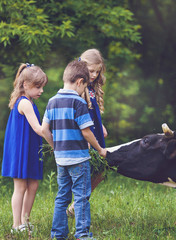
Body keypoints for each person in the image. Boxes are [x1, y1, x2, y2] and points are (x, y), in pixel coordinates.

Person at [42, 59, 107, 240]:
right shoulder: (78, 103)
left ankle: (57, 235)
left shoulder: (52, 102)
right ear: (79, 81)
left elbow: (44, 130)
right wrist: (100, 149)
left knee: (62, 196)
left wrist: (56, 147)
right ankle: (82, 234)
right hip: (79, 159)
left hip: (61, 159)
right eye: (84, 87)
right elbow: (86, 132)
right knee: (81, 197)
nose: (83, 91)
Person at [1, 63, 48, 234]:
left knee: (33, 185)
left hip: (30, 148)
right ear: (25, 85)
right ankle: (16, 225)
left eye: (42, 86)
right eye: (38, 87)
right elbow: (38, 128)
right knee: (20, 187)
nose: (41, 90)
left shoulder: (29, 101)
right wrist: (54, 142)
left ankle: (25, 221)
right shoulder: (24, 103)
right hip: (21, 150)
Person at [67, 49, 108, 217]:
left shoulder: (92, 86)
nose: (94, 74)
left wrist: (100, 125)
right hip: (83, 134)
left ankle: (77, 205)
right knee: (83, 173)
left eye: (97, 72)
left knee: (100, 170)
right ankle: (76, 207)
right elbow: (77, 114)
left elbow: (93, 111)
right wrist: (88, 138)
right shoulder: (77, 87)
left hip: (94, 130)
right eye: (91, 71)